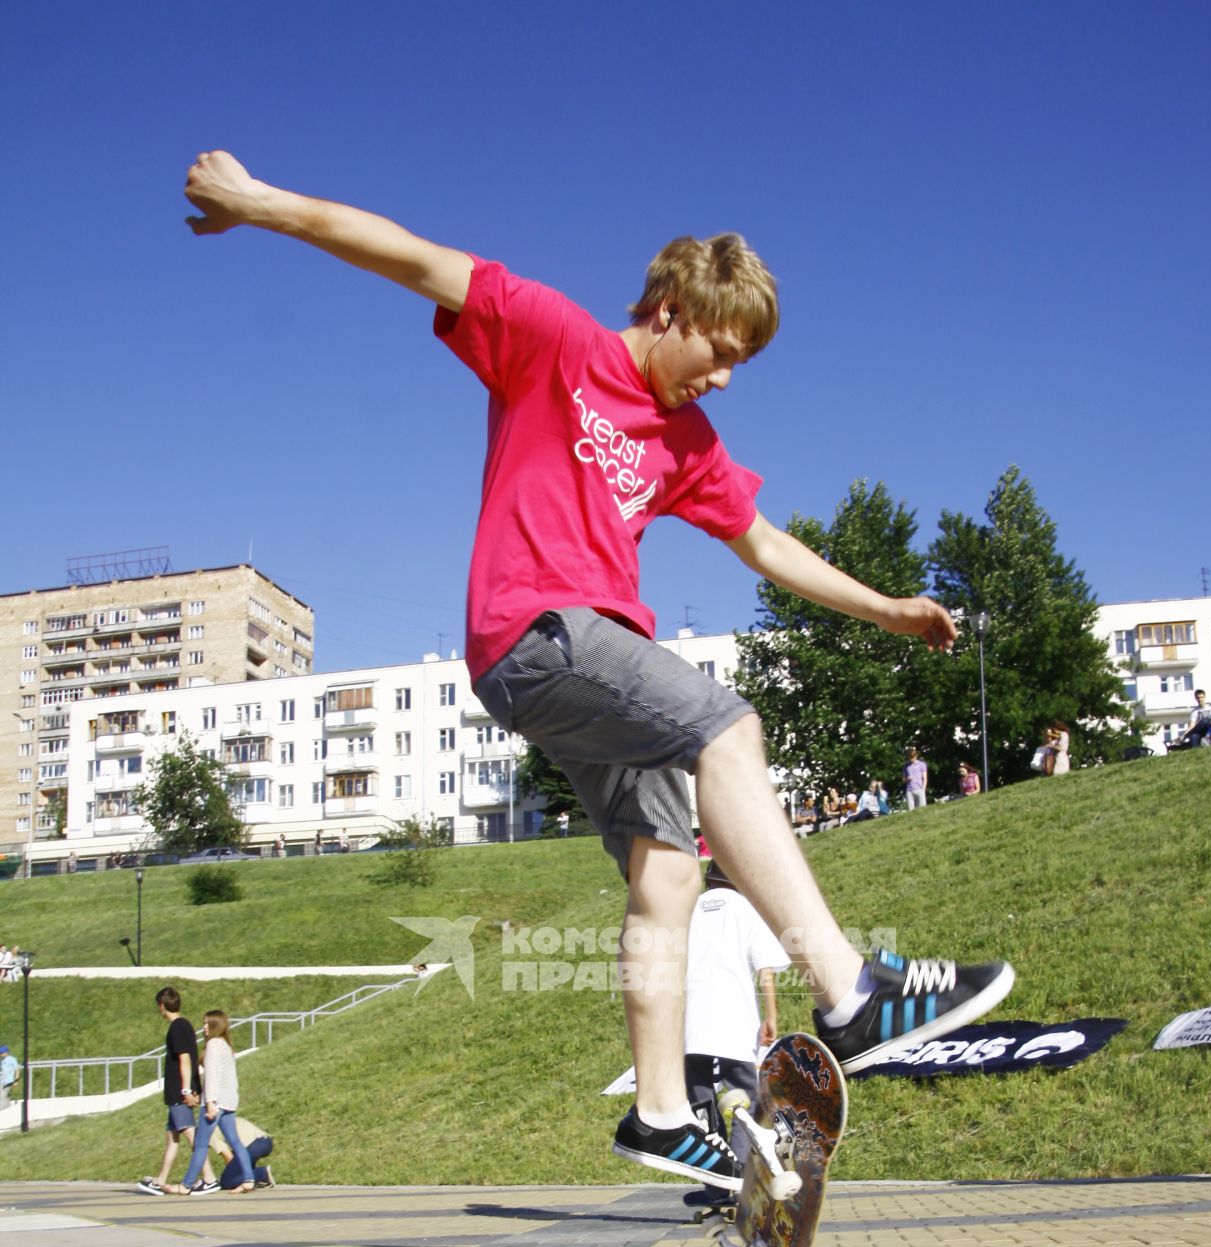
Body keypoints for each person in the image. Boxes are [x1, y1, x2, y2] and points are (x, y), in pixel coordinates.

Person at [183, 149, 1013, 1190]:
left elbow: (761, 545)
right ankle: (847, 991)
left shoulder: (688, 440)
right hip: (536, 631)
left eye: (738, 367)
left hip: (593, 671)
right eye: (716, 352)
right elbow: (406, 256)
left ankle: (658, 1114)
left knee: (667, 869)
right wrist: (258, 204)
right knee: (728, 726)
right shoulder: (551, 337)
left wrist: (886, 608)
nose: (719, 380)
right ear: (667, 308)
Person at [683, 862, 789, 1181]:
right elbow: (765, 967)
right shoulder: (745, 909)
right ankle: (739, 1178)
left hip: (689, 1026)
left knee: (701, 1108)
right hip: (734, 1023)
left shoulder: (685, 912)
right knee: (748, 1100)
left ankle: (713, 1186)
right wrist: (770, 1015)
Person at [137, 988, 214, 1195]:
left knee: (189, 1133)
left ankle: (209, 1177)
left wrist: (187, 1090)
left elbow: (185, 1059)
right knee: (172, 1136)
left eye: (158, 1006)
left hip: (179, 1092)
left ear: (162, 1006)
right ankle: (160, 1180)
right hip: (179, 1092)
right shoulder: (185, 1025)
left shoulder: (177, 1027)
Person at [169, 1010, 256, 1195]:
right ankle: (249, 1179)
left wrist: (209, 1102)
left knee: (200, 1143)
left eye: (207, 1024)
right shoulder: (225, 1045)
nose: (204, 1028)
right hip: (228, 1102)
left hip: (215, 1103)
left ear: (216, 1025)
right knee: (235, 1142)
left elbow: (213, 1076)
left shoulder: (214, 1045)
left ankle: (186, 1185)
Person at [211, 1113, 276, 1189]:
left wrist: (231, 1173)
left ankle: (262, 1173)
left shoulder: (210, 1132)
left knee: (226, 1181)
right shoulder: (224, 1119)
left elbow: (228, 1157)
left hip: (253, 1146)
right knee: (241, 1173)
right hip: (267, 1142)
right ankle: (259, 1179)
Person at [0, 1044, 18, 1113]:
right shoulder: (2, 1061)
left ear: (6, 1052)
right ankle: (9, 1106)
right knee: (2, 1095)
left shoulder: (12, 1059)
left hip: (9, 1081)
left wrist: (16, 1080)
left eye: (2, 1053)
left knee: (2, 1096)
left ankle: (2, 1111)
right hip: (2, 1080)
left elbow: (17, 1069)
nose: (1, 1054)